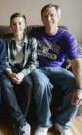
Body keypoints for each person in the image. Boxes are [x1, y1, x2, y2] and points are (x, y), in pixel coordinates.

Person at [30, 4, 82, 135]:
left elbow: (77, 63)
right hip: (39, 69)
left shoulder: (67, 37)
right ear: (42, 19)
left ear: (58, 17)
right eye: (45, 16)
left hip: (58, 70)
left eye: (52, 15)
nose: (48, 18)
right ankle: (44, 123)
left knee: (74, 84)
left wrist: (80, 88)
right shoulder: (35, 33)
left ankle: (62, 122)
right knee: (41, 84)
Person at [1, 13, 38, 135]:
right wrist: (10, 74)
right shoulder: (5, 40)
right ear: (11, 26)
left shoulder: (32, 41)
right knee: (5, 84)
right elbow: (3, 60)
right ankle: (21, 123)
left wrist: (22, 74)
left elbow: (34, 62)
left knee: (28, 84)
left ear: (25, 25)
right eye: (14, 24)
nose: (17, 26)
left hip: (23, 70)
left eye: (20, 23)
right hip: (9, 70)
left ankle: (18, 122)